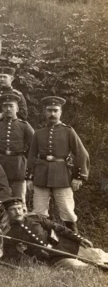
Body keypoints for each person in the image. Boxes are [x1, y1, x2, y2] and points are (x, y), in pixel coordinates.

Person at [26, 96, 90, 233]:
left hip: (62, 177)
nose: (52, 114)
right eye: (49, 111)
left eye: (55, 110)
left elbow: (82, 153)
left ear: (61, 112)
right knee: (39, 213)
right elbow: (31, 156)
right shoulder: (38, 133)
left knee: (67, 211)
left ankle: (75, 243)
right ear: (45, 112)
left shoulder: (68, 131)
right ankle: (43, 246)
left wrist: (79, 176)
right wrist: (29, 177)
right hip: (41, 177)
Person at [1, 198, 108, 269]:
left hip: (65, 246)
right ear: (7, 212)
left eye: (19, 208)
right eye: (13, 209)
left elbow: (58, 228)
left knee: (97, 254)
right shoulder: (9, 233)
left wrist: (79, 239)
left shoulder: (34, 218)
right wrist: (19, 251)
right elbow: (10, 257)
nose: (17, 212)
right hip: (52, 258)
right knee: (80, 267)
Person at [0, 93, 34, 203]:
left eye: (11, 106)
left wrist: (25, 162)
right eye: (5, 106)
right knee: (1, 196)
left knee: (19, 198)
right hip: (1, 164)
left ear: (17, 108)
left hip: (18, 166)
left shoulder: (24, 126)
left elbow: (33, 147)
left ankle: (21, 219)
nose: (8, 109)